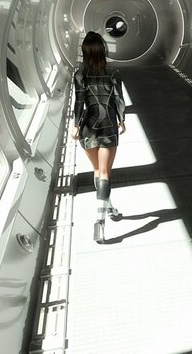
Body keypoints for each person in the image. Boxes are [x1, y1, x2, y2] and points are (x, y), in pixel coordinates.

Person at [71, 31, 126, 243]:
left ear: (85, 52)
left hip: (88, 128)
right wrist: (122, 120)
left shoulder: (80, 75)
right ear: (103, 50)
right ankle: (99, 222)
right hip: (108, 127)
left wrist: (76, 126)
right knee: (105, 173)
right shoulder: (113, 73)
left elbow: (79, 102)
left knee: (98, 171)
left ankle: (109, 208)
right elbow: (119, 100)